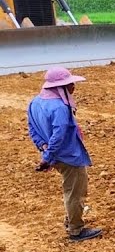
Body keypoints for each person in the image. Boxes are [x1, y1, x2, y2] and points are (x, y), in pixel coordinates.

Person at [27, 67, 102, 241]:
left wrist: (44, 149)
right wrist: (48, 157)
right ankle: (76, 229)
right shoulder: (60, 107)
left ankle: (71, 221)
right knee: (75, 191)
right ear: (59, 87)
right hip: (68, 155)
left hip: (55, 155)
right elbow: (59, 134)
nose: (73, 86)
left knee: (71, 188)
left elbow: (32, 129)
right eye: (69, 84)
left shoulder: (35, 102)